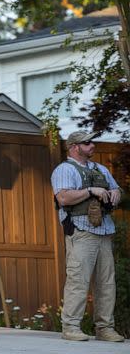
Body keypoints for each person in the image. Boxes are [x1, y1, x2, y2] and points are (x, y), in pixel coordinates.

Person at [51, 131, 125, 342]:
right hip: (81, 231)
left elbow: (116, 188)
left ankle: (105, 328)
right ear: (75, 147)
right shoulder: (64, 169)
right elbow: (63, 197)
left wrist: (117, 193)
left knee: (106, 283)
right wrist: (91, 190)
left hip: (104, 231)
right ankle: (71, 327)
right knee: (78, 280)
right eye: (87, 142)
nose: (92, 145)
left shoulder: (100, 168)